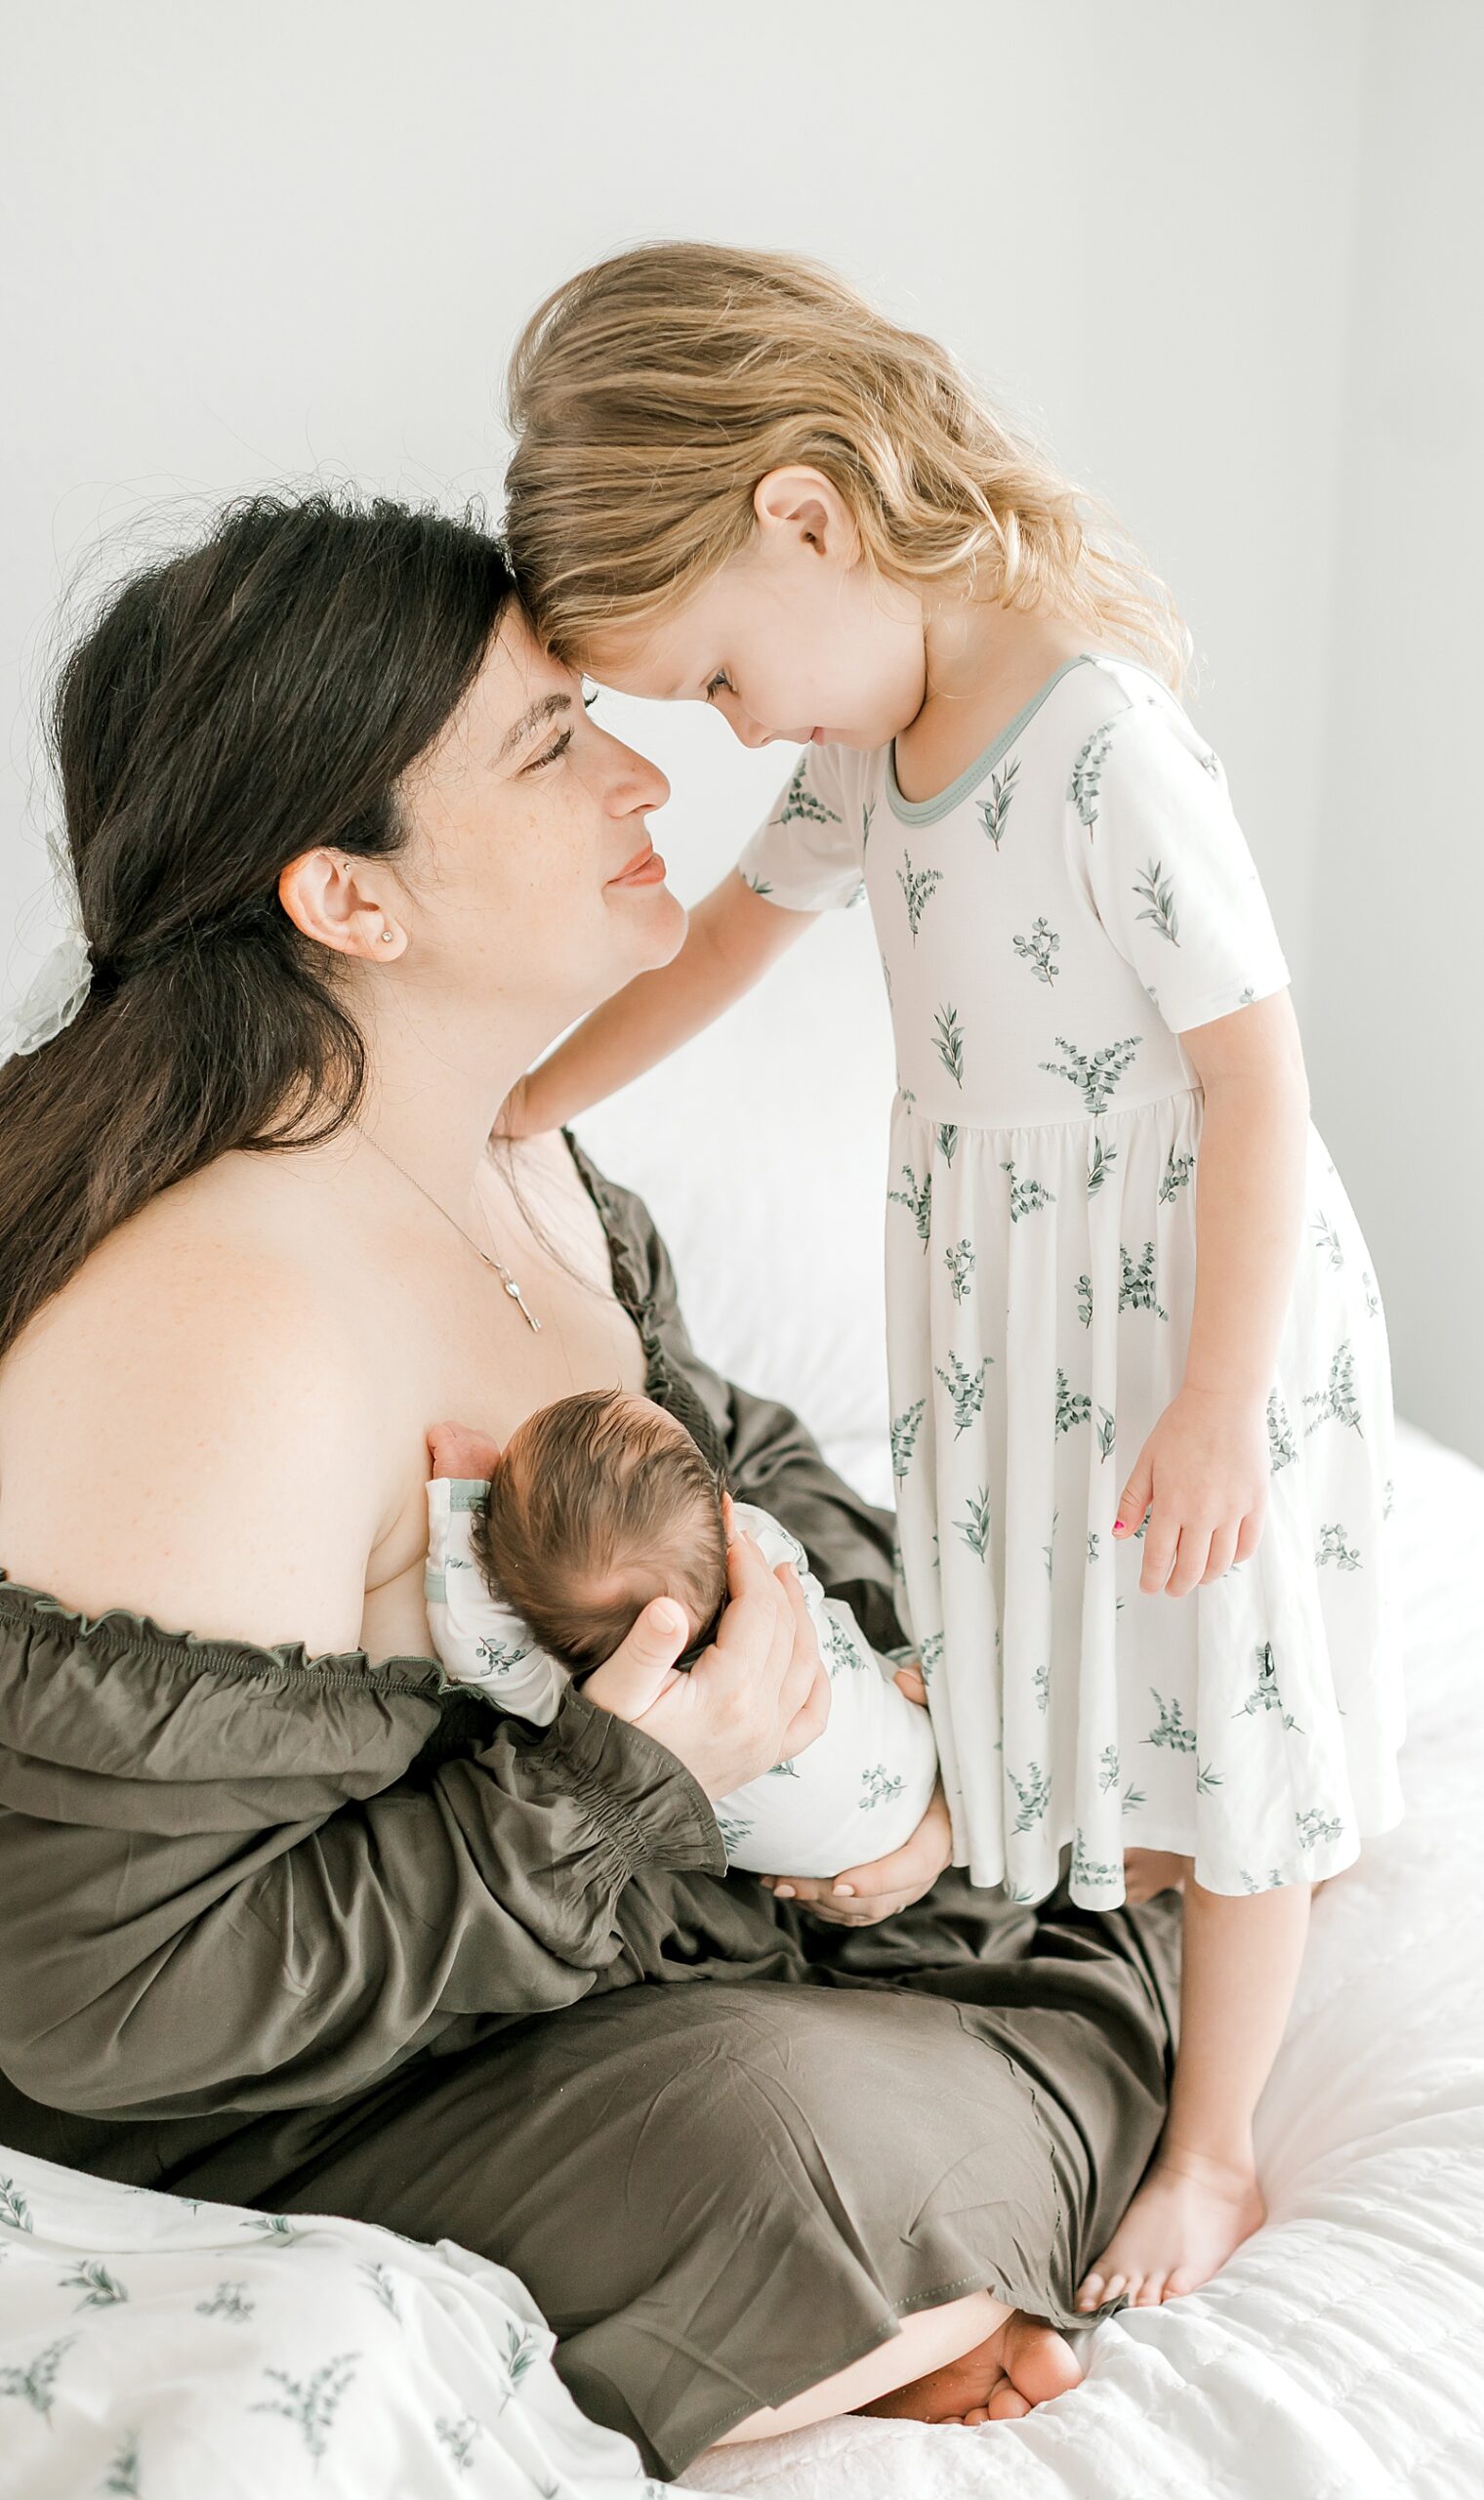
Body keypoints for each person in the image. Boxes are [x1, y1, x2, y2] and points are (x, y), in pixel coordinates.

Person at [0, 491, 1185, 2480]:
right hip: (275, 2068)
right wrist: (626, 1800)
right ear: (348, 899)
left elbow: (724, 1448)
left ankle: (896, 2254)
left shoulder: (509, 1139)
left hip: (553, 1951)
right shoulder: (229, 1329)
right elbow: (101, 1996)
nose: (649, 765)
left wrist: (904, 1709)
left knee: (1096, 1888)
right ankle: (849, 2286)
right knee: (791, 2146)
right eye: (553, 744)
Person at [497, 241, 1406, 2313]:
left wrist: (1211, 1402)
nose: (730, 727)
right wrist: (515, 1102)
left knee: (1227, 1669)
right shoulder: (868, 748)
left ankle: (1218, 2145)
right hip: (1023, 1304)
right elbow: (730, 941)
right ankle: (1160, 1835)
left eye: (720, 675)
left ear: (807, 515)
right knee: (1079, 1632)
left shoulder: (1097, 735)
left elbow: (1256, 1078)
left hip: (1190, 1296)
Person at [423, 1396, 940, 1873]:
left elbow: (478, 1646)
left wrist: (467, 1502)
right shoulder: (763, 1551)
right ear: (725, 1511)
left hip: (842, 1861)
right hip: (917, 1738)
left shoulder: (594, 1718)